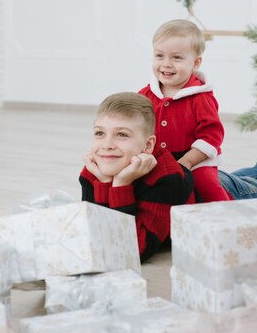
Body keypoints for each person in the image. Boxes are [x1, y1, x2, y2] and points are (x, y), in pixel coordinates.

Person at [79, 92, 196, 262]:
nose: (107, 145)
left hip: (231, 191)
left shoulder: (167, 179)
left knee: (247, 183)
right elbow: (96, 232)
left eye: (122, 135)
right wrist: (104, 182)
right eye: (100, 133)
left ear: (148, 145)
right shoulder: (95, 170)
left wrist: (120, 185)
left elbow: (134, 250)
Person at [139, 19, 231, 202]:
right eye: (159, 56)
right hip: (158, 158)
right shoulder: (146, 94)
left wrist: (188, 162)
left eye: (177, 57)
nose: (166, 64)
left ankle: (227, 212)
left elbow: (212, 136)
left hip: (195, 160)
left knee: (206, 186)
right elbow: (133, 123)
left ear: (195, 63)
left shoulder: (200, 97)